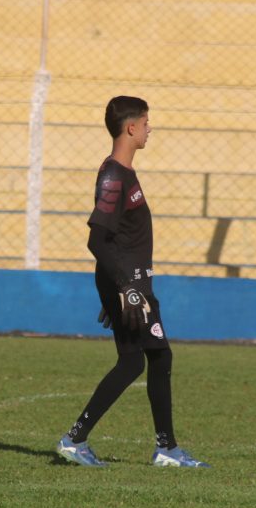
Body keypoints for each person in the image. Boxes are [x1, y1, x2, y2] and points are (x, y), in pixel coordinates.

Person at [56, 96, 210, 468]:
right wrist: (123, 288)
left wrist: (115, 288)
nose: (149, 129)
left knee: (149, 358)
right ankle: (79, 440)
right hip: (131, 286)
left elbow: (118, 239)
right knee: (139, 361)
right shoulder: (113, 176)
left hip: (131, 284)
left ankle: (163, 448)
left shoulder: (123, 173)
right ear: (130, 127)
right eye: (145, 122)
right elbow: (97, 240)